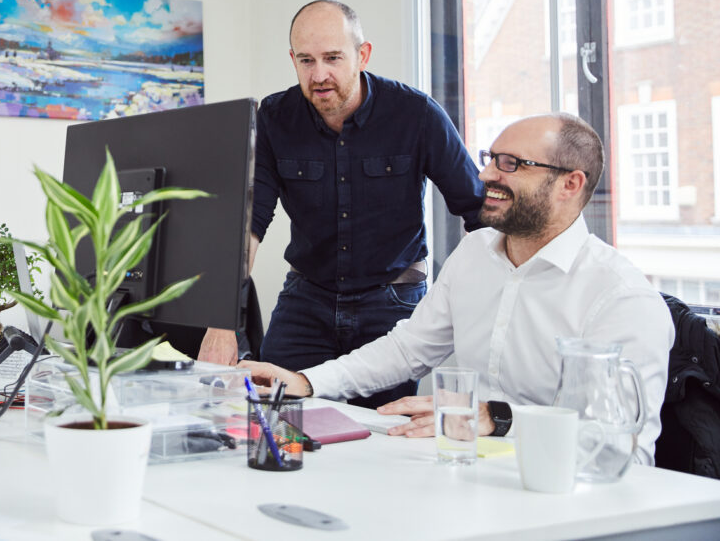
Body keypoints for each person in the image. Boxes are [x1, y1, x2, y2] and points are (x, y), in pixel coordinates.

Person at [241, 113, 674, 464]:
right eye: (491, 158)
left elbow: (619, 447)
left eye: (511, 164)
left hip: (561, 499)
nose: (485, 174)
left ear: (570, 184)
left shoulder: (620, 297)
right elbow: (408, 349)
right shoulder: (475, 253)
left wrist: (496, 419)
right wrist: (305, 381)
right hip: (466, 471)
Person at [201, 0, 483, 409]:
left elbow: (478, 212)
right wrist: (221, 321)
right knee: (272, 412)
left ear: (362, 55)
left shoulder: (417, 115)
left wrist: (480, 306)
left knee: (380, 430)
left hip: (392, 301)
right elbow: (249, 223)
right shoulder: (275, 118)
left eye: (332, 58)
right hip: (307, 297)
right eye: (306, 60)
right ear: (293, 60)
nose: (319, 75)